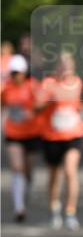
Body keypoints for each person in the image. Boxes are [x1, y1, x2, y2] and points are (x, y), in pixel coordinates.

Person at [37, 51, 83, 230]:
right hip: (52, 135)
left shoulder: (78, 83)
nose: (65, 67)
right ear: (57, 66)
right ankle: (54, 209)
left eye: (68, 64)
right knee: (54, 175)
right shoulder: (48, 83)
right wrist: (49, 100)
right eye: (61, 64)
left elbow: (76, 105)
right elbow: (37, 107)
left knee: (70, 171)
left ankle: (70, 212)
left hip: (74, 134)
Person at [1, 55, 42, 221]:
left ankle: (27, 190)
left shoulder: (33, 86)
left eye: (18, 72)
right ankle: (19, 207)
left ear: (25, 72)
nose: (16, 75)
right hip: (13, 134)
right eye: (13, 72)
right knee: (17, 167)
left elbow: (43, 104)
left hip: (31, 133)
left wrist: (33, 111)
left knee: (28, 171)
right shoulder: (6, 88)